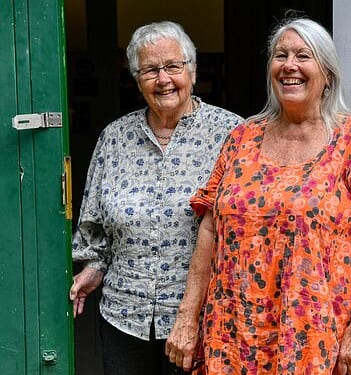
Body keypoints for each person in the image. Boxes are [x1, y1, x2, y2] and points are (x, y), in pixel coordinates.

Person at [165, 18, 351, 375]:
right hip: (232, 333)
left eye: (303, 55)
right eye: (281, 55)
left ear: (326, 71)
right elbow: (210, 230)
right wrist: (187, 317)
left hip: (317, 336)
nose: (289, 65)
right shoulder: (242, 137)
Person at [68, 21, 243, 375]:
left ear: (192, 71)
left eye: (173, 67)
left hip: (202, 318)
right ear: (137, 80)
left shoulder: (232, 134)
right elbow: (94, 222)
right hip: (123, 316)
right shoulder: (114, 138)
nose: (163, 79)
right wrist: (93, 266)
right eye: (150, 70)